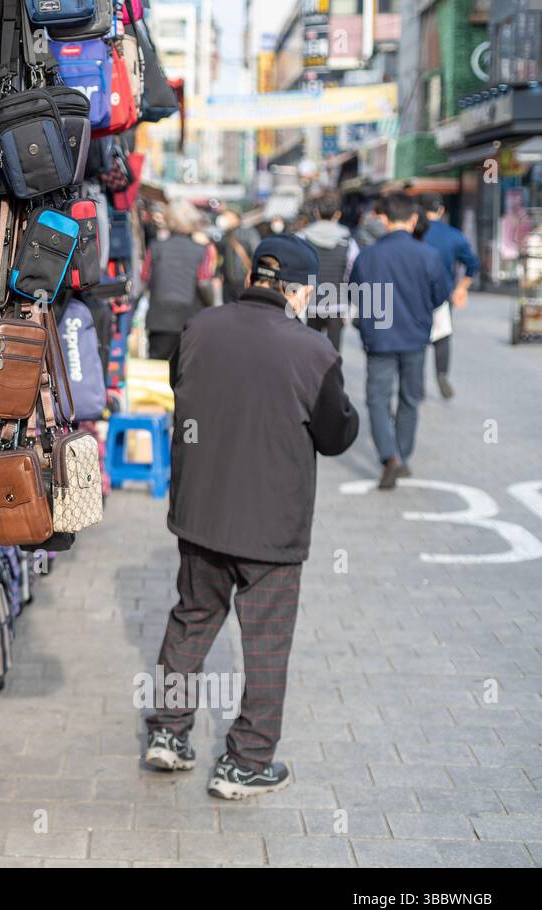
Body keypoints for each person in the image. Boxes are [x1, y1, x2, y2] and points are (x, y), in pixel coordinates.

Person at [144, 235, 359, 799]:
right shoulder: (313, 351)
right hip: (272, 526)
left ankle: (168, 734)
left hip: (200, 513)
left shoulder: (199, 328)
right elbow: (337, 435)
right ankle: (246, 763)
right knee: (265, 642)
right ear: (298, 288)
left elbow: (179, 385)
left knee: (191, 620)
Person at [349, 192, 453, 490]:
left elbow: (356, 295)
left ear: (384, 218)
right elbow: (440, 297)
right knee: (410, 398)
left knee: (377, 400)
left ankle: (388, 456)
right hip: (414, 339)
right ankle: (403, 457)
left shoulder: (368, 256)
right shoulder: (428, 255)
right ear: (411, 219)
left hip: (378, 340)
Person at [418, 193, 479, 398]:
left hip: (414, 294)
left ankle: (416, 381)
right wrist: (462, 288)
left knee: (416, 338)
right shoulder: (454, 235)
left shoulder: (413, 233)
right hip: (443, 295)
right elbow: (472, 264)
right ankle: (442, 375)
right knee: (442, 336)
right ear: (441, 210)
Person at [142, 200, 216, 361]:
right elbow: (204, 282)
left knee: (156, 372)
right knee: (186, 373)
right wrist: (212, 305)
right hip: (190, 319)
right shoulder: (201, 251)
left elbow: (144, 280)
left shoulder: (155, 247)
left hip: (159, 319)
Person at [298, 192, 359, 352]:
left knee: (311, 353)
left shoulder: (302, 238)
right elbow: (352, 272)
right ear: (337, 215)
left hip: (311, 302)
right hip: (337, 303)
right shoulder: (348, 241)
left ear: (316, 213)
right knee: (333, 354)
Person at [216, 208, 252, 299]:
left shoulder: (248, 233)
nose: (224, 219)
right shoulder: (224, 235)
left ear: (236, 218)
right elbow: (220, 257)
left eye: (227, 216)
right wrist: (218, 273)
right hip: (227, 282)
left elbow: (255, 252)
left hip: (242, 280)